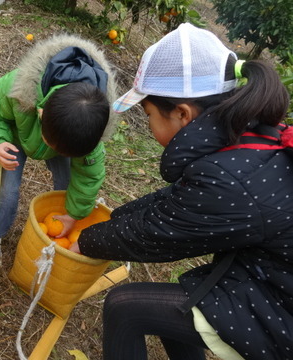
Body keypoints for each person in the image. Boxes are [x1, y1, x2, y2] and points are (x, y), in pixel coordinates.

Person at [70, 23, 292, 360]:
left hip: (281, 306)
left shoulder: (230, 180)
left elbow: (154, 233)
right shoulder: (247, 135)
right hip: (268, 274)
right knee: (183, 305)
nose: (148, 124)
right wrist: (113, 220)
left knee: (125, 308)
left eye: (148, 114)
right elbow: (177, 202)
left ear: (182, 114)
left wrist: (86, 241)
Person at [0, 34, 119, 268]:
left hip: (65, 137)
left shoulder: (90, 126)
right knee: (8, 189)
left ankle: (61, 225)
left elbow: (89, 176)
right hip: (17, 135)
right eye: (52, 144)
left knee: (69, 182)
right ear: (41, 114)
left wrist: (74, 215)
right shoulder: (18, 88)